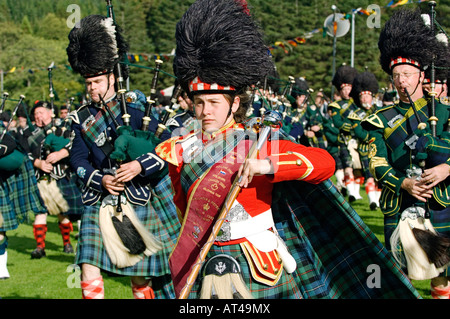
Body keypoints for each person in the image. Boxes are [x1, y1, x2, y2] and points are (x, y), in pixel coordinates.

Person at [155, 0, 420, 299]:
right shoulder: (179, 149)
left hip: (257, 261)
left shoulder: (255, 142)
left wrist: (266, 165)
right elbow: (181, 209)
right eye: (200, 103)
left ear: (235, 103)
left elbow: (325, 164)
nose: (205, 111)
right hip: (202, 261)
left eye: (214, 103)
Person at [67, 14, 180, 299]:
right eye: (88, 83)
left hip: (136, 195)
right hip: (99, 199)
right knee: (88, 268)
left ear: (112, 78)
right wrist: (101, 178)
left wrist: (138, 164)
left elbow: (165, 146)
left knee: (139, 274)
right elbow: (77, 160)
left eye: (97, 82)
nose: (92, 88)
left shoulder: (138, 109)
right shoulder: (80, 119)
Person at [362, 8, 450, 299]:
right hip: (399, 199)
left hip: (440, 199)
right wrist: (403, 182)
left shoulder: (444, 112)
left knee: (443, 273)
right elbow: (374, 161)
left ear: (421, 75)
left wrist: (446, 169)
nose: (401, 81)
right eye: (396, 75)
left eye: (407, 74)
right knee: (399, 270)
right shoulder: (380, 118)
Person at [26, 100, 82, 258]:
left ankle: (67, 243)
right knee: (40, 212)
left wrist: (60, 153)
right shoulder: (29, 134)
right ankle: (40, 248)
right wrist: (38, 163)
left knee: (62, 213)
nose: (38, 116)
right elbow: (23, 153)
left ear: (50, 113)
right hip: (40, 178)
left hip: (61, 176)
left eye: (41, 112)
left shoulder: (62, 128)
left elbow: (75, 146)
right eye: (36, 114)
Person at [0, 104, 48, 278]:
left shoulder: (2, 130)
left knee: (0, 228)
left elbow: (9, 145)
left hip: (8, 178)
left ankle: (1, 268)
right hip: (20, 171)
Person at [348, 71, 382, 210]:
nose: (364, 99)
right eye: (362, 96)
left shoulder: (379, 110)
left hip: (379, 147)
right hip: (365, 148)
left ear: (372, 96)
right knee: (369, 175)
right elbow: (359, 133)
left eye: (367, 95)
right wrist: (373, 137)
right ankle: (372, 201)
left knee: (379, 177)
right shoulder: (355, 115)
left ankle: (377, 200)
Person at [328, 65, 362, 201]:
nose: (347, 91)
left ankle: (356, 191)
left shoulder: (358, 104)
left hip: (358, 140)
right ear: (340, 90)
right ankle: (351, 191)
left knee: (358, 168)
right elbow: (337, 123)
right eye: (344, 89)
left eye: (349, 88)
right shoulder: (336, 105)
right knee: (347, 166)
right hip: (345, 139)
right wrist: (352, 127)